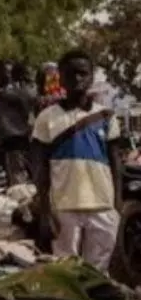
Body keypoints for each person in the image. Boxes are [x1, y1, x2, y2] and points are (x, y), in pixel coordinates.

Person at [32, 49, 123, 271]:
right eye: (71, 74)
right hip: (64, 208)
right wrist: (45, 211)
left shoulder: (106, 117)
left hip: (102, 206)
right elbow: (40, 168)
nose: (77, 79)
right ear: (60, 78)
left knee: (98, 273)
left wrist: (117, 208)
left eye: (83, 73)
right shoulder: (47, 118)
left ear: (91, 76)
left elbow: (116, 165)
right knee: (66, 272)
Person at [0, 60, 38, 187]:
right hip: (29, 140)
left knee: (17, 180)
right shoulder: (30, 93)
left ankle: (22, 206)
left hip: (12, 143)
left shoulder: (0, 96)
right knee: (33, 178)